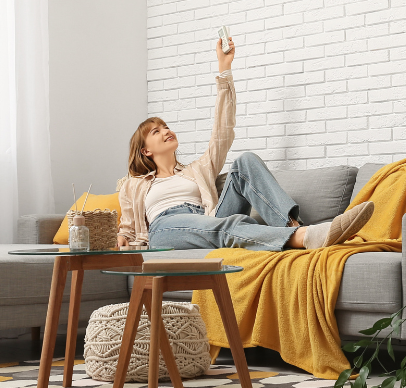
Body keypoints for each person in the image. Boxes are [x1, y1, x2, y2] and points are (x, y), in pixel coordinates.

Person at [117, 35, 374, 251]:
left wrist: (224, 70)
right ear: (146, 150)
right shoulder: (134, 185)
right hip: (167, 227)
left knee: (244, 162)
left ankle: (294, 228)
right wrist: (120, 240)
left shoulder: (197, 171)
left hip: (206, 220)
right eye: (155, 131)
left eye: (166, 126)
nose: (166, 131)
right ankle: (304, 238)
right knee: (230, 224)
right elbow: (127, 230)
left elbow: (222, 132)